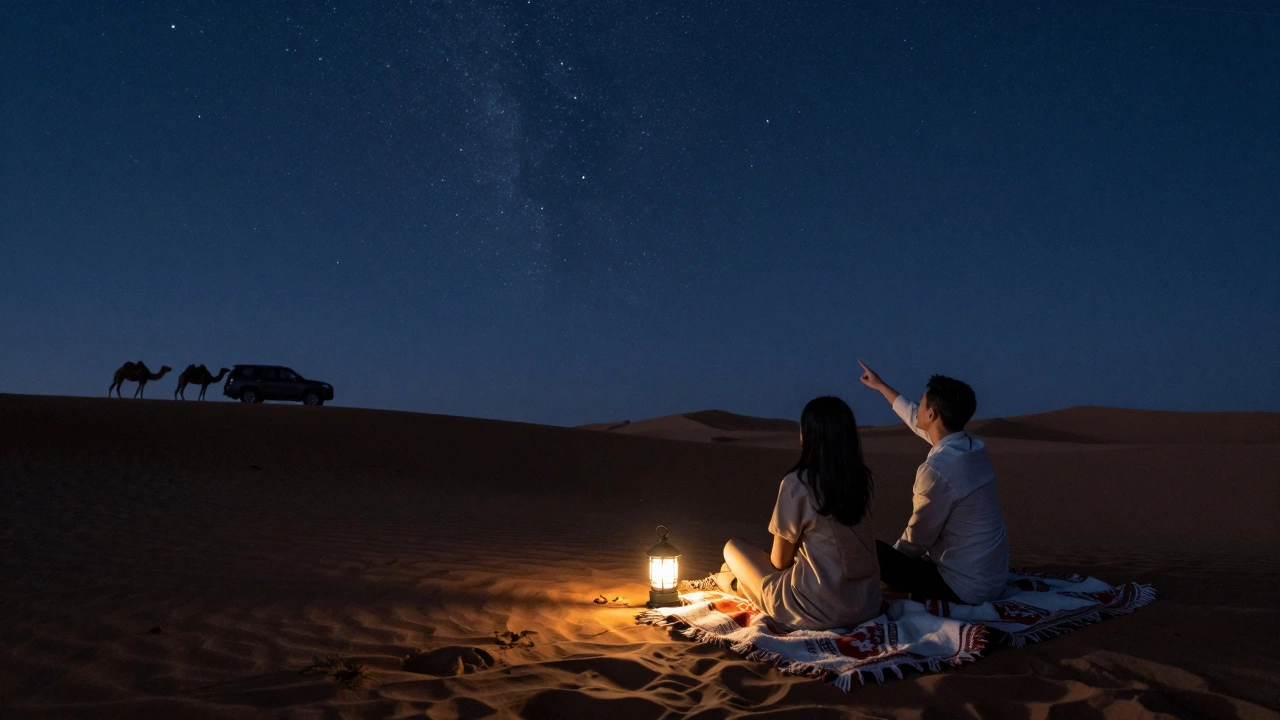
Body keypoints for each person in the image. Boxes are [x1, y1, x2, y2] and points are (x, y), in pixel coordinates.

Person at [721, 396, 884, 631]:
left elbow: (779, 562)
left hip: (816, 610)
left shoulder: (798, 483)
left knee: (733, 548)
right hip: (867, 606)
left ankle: (733, 583)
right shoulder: (861, 480)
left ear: (808, 436)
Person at [857, 361, 1009, 604]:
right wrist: (881, 386)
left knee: (867, 551)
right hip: (992, 580)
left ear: (932, 414)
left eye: (921, 403)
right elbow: (914, 418)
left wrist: (888, 567)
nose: (917, 407)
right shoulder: (973, 449)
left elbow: (916, 541)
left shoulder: (938, 469)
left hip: (964, 589)